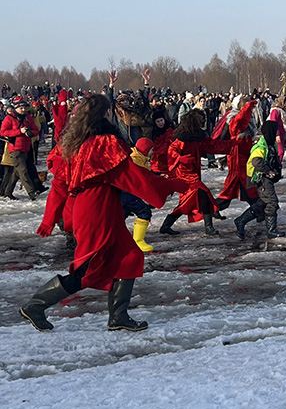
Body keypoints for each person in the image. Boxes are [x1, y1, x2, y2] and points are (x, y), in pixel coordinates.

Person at [19, 94, 174, 332]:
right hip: (97, 210)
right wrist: (168, 186)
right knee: (87, 271)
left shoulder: (73, 142)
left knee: (130, 257)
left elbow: (60, 185)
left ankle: (118, 316)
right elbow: (130, 177)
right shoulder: (103, 144)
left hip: (100, 208)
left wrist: (50, 218)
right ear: (105, 114)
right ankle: (36, 306)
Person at [160, 110, 234, 237]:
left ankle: (166, 225)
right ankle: (209, 227)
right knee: (204, 194)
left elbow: (212, 145)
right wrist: (179, 159)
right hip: (184, 173)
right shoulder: (182, 137)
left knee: (188, 201)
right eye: (201, 120)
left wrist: (232, 145)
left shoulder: (199, 136)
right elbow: (172, 150)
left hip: (194, 171)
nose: (203, 122)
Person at [234, 120, 284, 239]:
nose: (276, 132)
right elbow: (257, 162)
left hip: (267, 178)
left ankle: (241, 221)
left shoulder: (270, 144)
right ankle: (271, 230)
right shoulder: (261, 146)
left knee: (263, 202)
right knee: (271, 202)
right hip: (261, 177)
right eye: (275, 130)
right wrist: (268, 171)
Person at [1, 96, 40, 199]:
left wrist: (31, 133)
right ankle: (32, 193)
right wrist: (19, 132)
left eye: (24, 108)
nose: (23, 110)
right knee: (23, 171)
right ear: (16, 108)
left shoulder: (28, 118)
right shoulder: (9, 118)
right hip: (15, 149)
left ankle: (8, 192)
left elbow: (36, 129)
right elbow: (3, 132)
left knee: (17, 172)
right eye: (21, 108)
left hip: (26, 148)